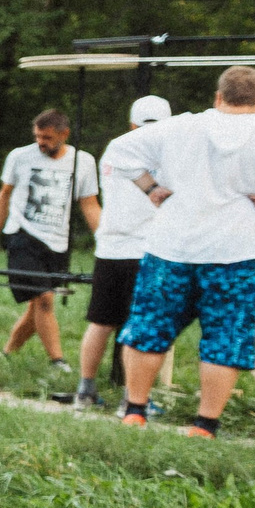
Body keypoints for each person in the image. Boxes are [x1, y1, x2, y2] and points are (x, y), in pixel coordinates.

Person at [116, 65, 255, 437]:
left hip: (171, 246)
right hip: (237, 251)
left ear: (217, 96)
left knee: (149, 327)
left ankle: (135, 411)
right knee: (225, 336)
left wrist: (151, 188)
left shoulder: (180, 126)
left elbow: (121, 150)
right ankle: (205, 425)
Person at [0, 108, 100, 374]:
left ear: (64, 134)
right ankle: (58, 362)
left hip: (58, 242)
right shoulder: (20, 157)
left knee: (37, 307)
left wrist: (105, 239)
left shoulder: (83, 162)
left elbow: (89, 204)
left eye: (48, 137)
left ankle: (7, 353)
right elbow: (5, 194)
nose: (41, 142)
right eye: (38, 136)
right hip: (22, 236)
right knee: (44, 299)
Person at [74, 95, 171, 407]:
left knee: (100, 321)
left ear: (132, 123)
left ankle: (85, 391)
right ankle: (133, 398)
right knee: (142, 324)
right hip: (149, 248)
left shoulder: (115, 148)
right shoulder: (169, 152)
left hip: (110, 247)